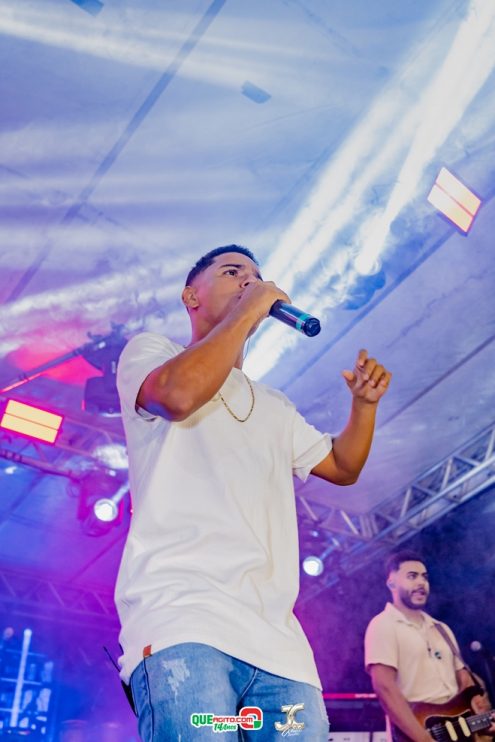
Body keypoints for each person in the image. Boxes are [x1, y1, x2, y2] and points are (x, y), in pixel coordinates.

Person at [115, 244, 392, 741]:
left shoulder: (274, 405)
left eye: (256, 276)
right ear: (190, 296)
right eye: (232, 272)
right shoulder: (152, 353)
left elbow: (342, 466)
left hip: (278, 644)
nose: (249, 281)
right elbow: (177, 397)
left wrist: (364, 408)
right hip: (183, 618)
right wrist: (249, 308)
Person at [364, 550, 495, 741]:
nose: (421, 583)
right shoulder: (383, 625)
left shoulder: (442, 629)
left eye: (424, 577)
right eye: (412, 576)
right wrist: (423, 738)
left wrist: (480, 716)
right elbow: (384, 688)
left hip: (460, 732)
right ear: (391, 583)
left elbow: (465, 680)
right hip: (419, 732)